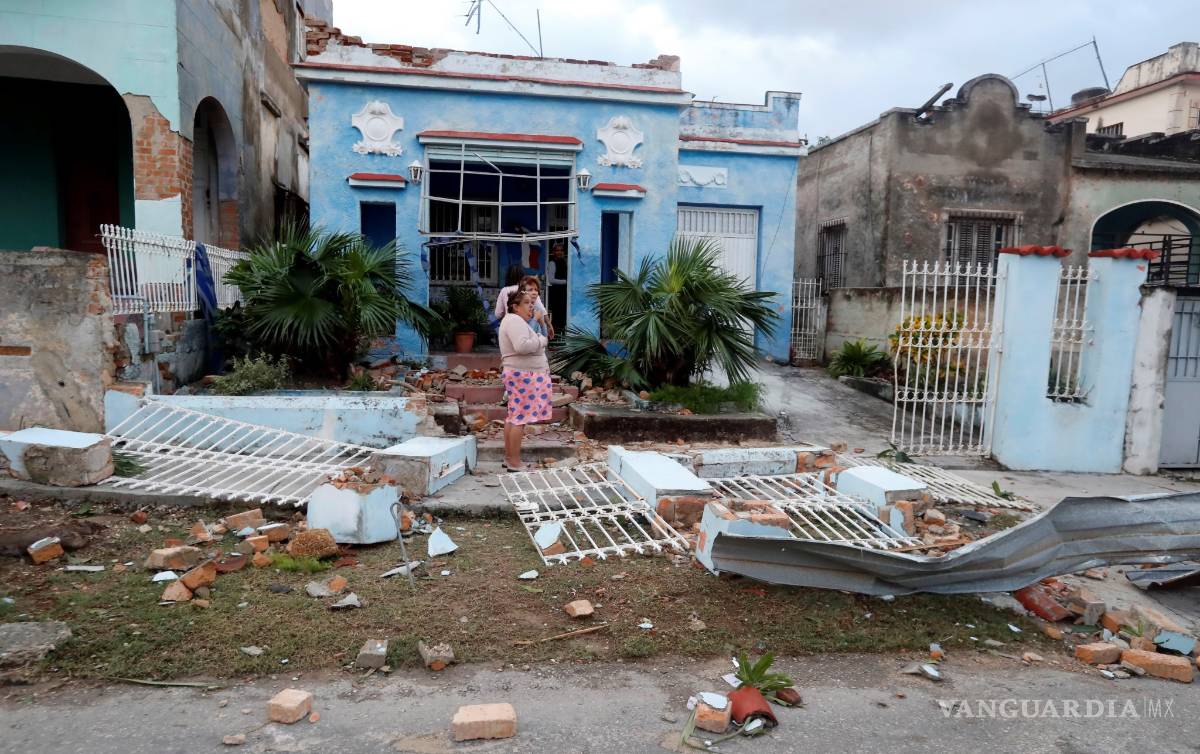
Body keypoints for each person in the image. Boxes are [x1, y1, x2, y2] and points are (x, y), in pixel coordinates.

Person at [498, 290, 551, 471]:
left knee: (514, 417)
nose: (532, 306)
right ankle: (514, 462)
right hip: (523, 375)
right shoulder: (514, 321)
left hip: (520, 373)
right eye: (527, 303)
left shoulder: (515, 321)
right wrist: (541, 341)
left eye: (532, 303)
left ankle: (509, 458)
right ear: (515, 306)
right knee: (519, 418)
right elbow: (521, 346)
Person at [518, 275, 554, 340]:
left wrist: (542, 323)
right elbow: (526, 336)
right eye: (530, 290)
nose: (534, 293)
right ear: (522, 292)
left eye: (536, 290)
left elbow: (544, 337)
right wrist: (535, 319)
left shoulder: (536, 310)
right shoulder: (520, 312)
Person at [547, 242, 568, 333]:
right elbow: (551, 280)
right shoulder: (552, 263)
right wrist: (566, 282)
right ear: (553, 252)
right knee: (556, 317)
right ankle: (555, 339)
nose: (559, 252)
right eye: (557, 250)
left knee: (563, 316)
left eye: (561, 250)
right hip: (556, 294)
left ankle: (561, 336)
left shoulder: (566, 261)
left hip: (564, 293)